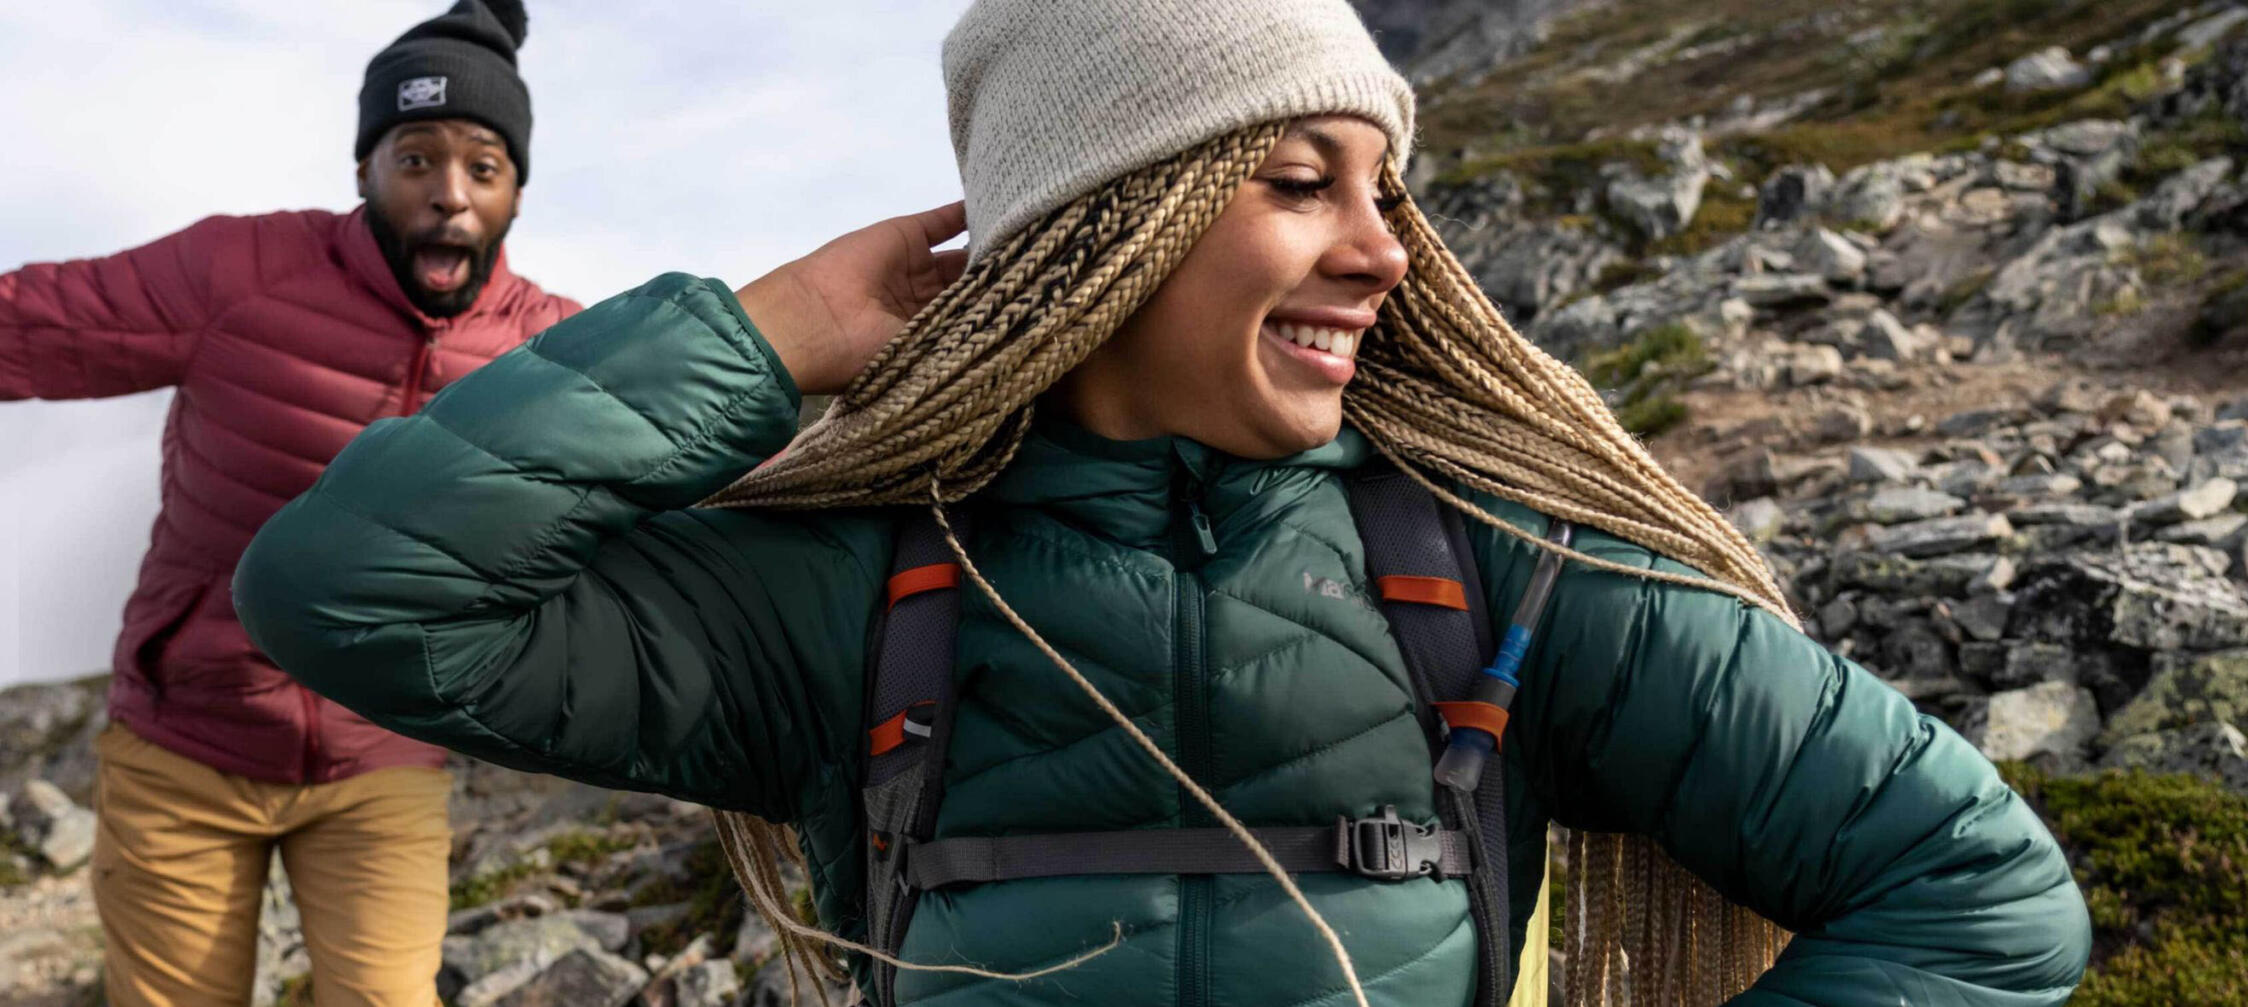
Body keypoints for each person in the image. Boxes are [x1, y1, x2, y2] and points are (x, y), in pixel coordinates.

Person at [234, 1, 2092, 1005]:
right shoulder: (860, 588)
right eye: (1297, 181)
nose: (1387, 249)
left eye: (1383, 188)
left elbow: (1976, 894)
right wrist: (763, 334)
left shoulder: (1504, 567)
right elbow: (351, 591)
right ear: (1108, 227)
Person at [0, 1, 575, 1003]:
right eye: (415, 158)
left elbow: (711, 438)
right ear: (363, 170)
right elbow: (35, 325)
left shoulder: (548, 350)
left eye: (483, 167)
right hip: (186, 743)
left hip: (382, 759)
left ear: (516, 192)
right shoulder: (239, 273)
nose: (449, 194)